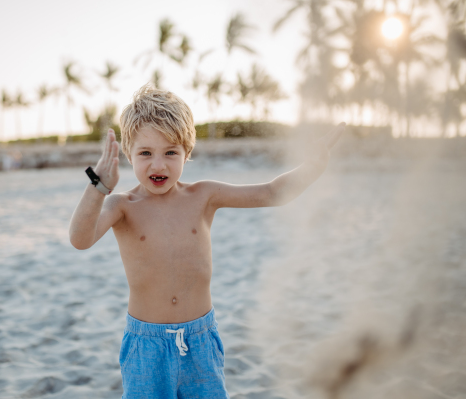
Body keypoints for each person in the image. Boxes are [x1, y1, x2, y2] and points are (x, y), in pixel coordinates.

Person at [69, 85, 345, 398]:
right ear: (128, 154)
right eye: (145, 153)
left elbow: (271, 192)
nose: (158, 165)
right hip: (147, 345)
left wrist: (313, 167)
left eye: (170, 152)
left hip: (200, 341)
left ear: (187, 152)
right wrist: (98, 188)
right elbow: (80, 239)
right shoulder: (121, 205)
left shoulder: (203, 195)